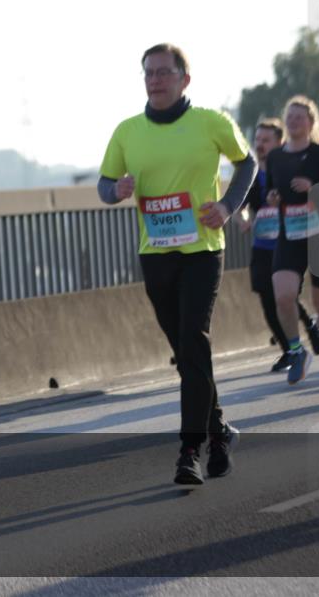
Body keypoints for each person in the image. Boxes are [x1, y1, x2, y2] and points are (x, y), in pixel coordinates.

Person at [97, 43, 257, 486]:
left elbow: (247, 164)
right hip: (155, 254)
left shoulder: (211, 122)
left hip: (202, 250)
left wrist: (226, 206)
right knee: (187, 352)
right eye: (149, 73)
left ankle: (190, 451)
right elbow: (105, 184)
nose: (155, 80)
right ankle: (219, 431)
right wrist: (116, 191)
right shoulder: (128, 131)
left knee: (193, 340)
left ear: (185, 79)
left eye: (164, 72)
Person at [266, 95, 319, 385]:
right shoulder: (275, 157)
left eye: (299, 117)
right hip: (291, 235)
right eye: (289, 116)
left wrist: (313, 188)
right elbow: (272, 191)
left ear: (311, 123)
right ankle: (296, 351)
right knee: (282, 296)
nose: (293, 121)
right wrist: (272, 197)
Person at [233, 118, 319, 372]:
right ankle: (290, 350)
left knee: (284, 296)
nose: (259, 145)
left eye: (266, 140)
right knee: (266, 299)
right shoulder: (250, 175)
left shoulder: (290, 169)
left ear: (280, 142)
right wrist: (243, 221)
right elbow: (238, 205)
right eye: (257, 140)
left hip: (289, 242)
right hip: (262, 245)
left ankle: (309, 326)